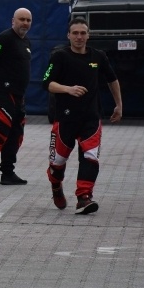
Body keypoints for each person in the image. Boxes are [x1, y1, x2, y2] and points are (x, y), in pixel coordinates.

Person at [42, 17, 123, 214]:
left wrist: (119, 105)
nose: (79, 37)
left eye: (83, 33)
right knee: (57, 162)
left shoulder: (98, 56)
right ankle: (56, 186)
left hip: (91, 117)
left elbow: (112, 80)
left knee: (90, 156)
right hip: (66, 118)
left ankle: (84, 197)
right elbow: (47, 83)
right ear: (68, 35)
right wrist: (67, 89)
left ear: (88, 35)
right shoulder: (60, 56)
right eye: (75, 33)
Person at [0, 7, 33, 186]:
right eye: (21, 19)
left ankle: (8, 173)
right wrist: (2, 82)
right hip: (3, 93)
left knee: (16, 134)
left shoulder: (26, 43)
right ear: (13, 21)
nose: (25, 23)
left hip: (19, 95)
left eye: (28, 20)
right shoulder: (4, 39)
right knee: (1, 130)